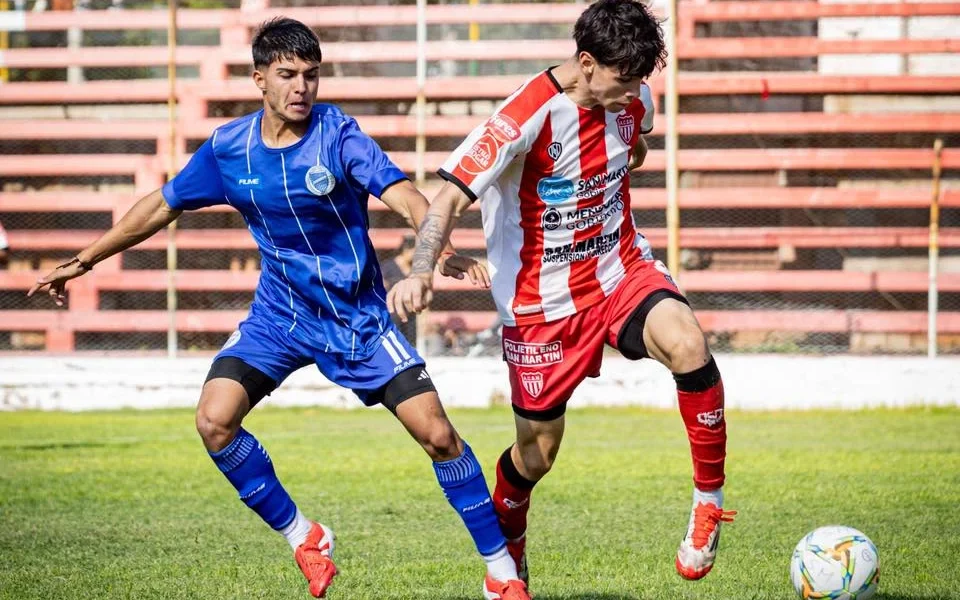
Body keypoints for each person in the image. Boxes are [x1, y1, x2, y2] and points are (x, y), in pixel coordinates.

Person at [28, 17, 530, 600]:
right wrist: (84, 260)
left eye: (311, 75)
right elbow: (161, 206)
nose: (301, 87)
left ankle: (501, 573)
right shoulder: (229, 149)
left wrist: (437, 253)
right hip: (279, 319)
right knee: (214, 420)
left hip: (356, 320)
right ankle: (304, 536)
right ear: (259, 78)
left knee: (438, 435)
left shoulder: (338, 136)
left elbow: (408, 198)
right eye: (287, 74)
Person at [387, 0, 735, 588]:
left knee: (688, 343)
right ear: (587, 63)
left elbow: (635, 143)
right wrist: (423, 270)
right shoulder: (523, 116)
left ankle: (709, 503)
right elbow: (446, 199)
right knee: (537, 455)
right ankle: (510, 541)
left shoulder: (633, 96)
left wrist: (630, 149)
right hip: (540, 305)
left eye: (641, 81)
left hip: (619, 270)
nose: (634, 93)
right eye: (624, 81)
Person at [379, 234, 418, 345]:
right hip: (392, 311)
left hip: (410, 312)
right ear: (406, 249)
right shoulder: (388, 266)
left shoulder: (415, 268)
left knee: (410, 343)